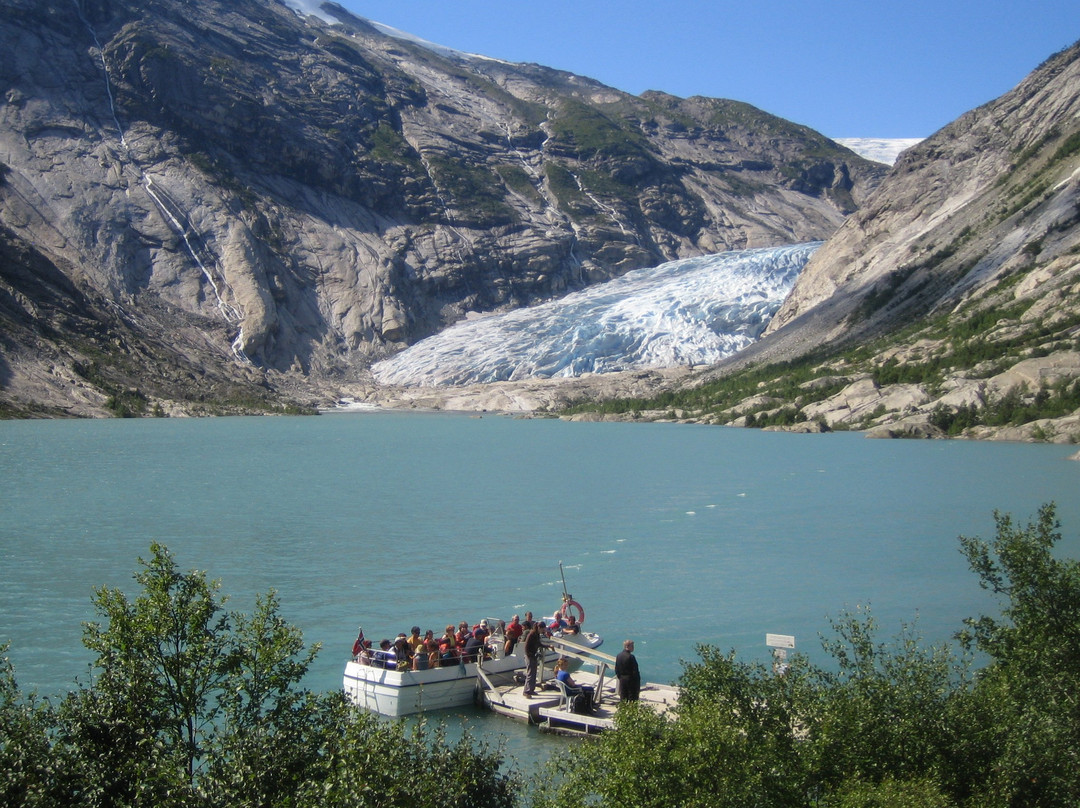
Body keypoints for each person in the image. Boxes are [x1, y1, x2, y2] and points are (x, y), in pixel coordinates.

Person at [522, 620, 541, 698]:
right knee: (530, 673)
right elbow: (526, 646)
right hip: (529, 656)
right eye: (542, 629)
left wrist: (547, 646)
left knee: (534, 673)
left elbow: (539, 643)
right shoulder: (531, 634)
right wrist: (529, 655)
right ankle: (526, 691)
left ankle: (531, 689)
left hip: (533, 655)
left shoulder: (537, 634)